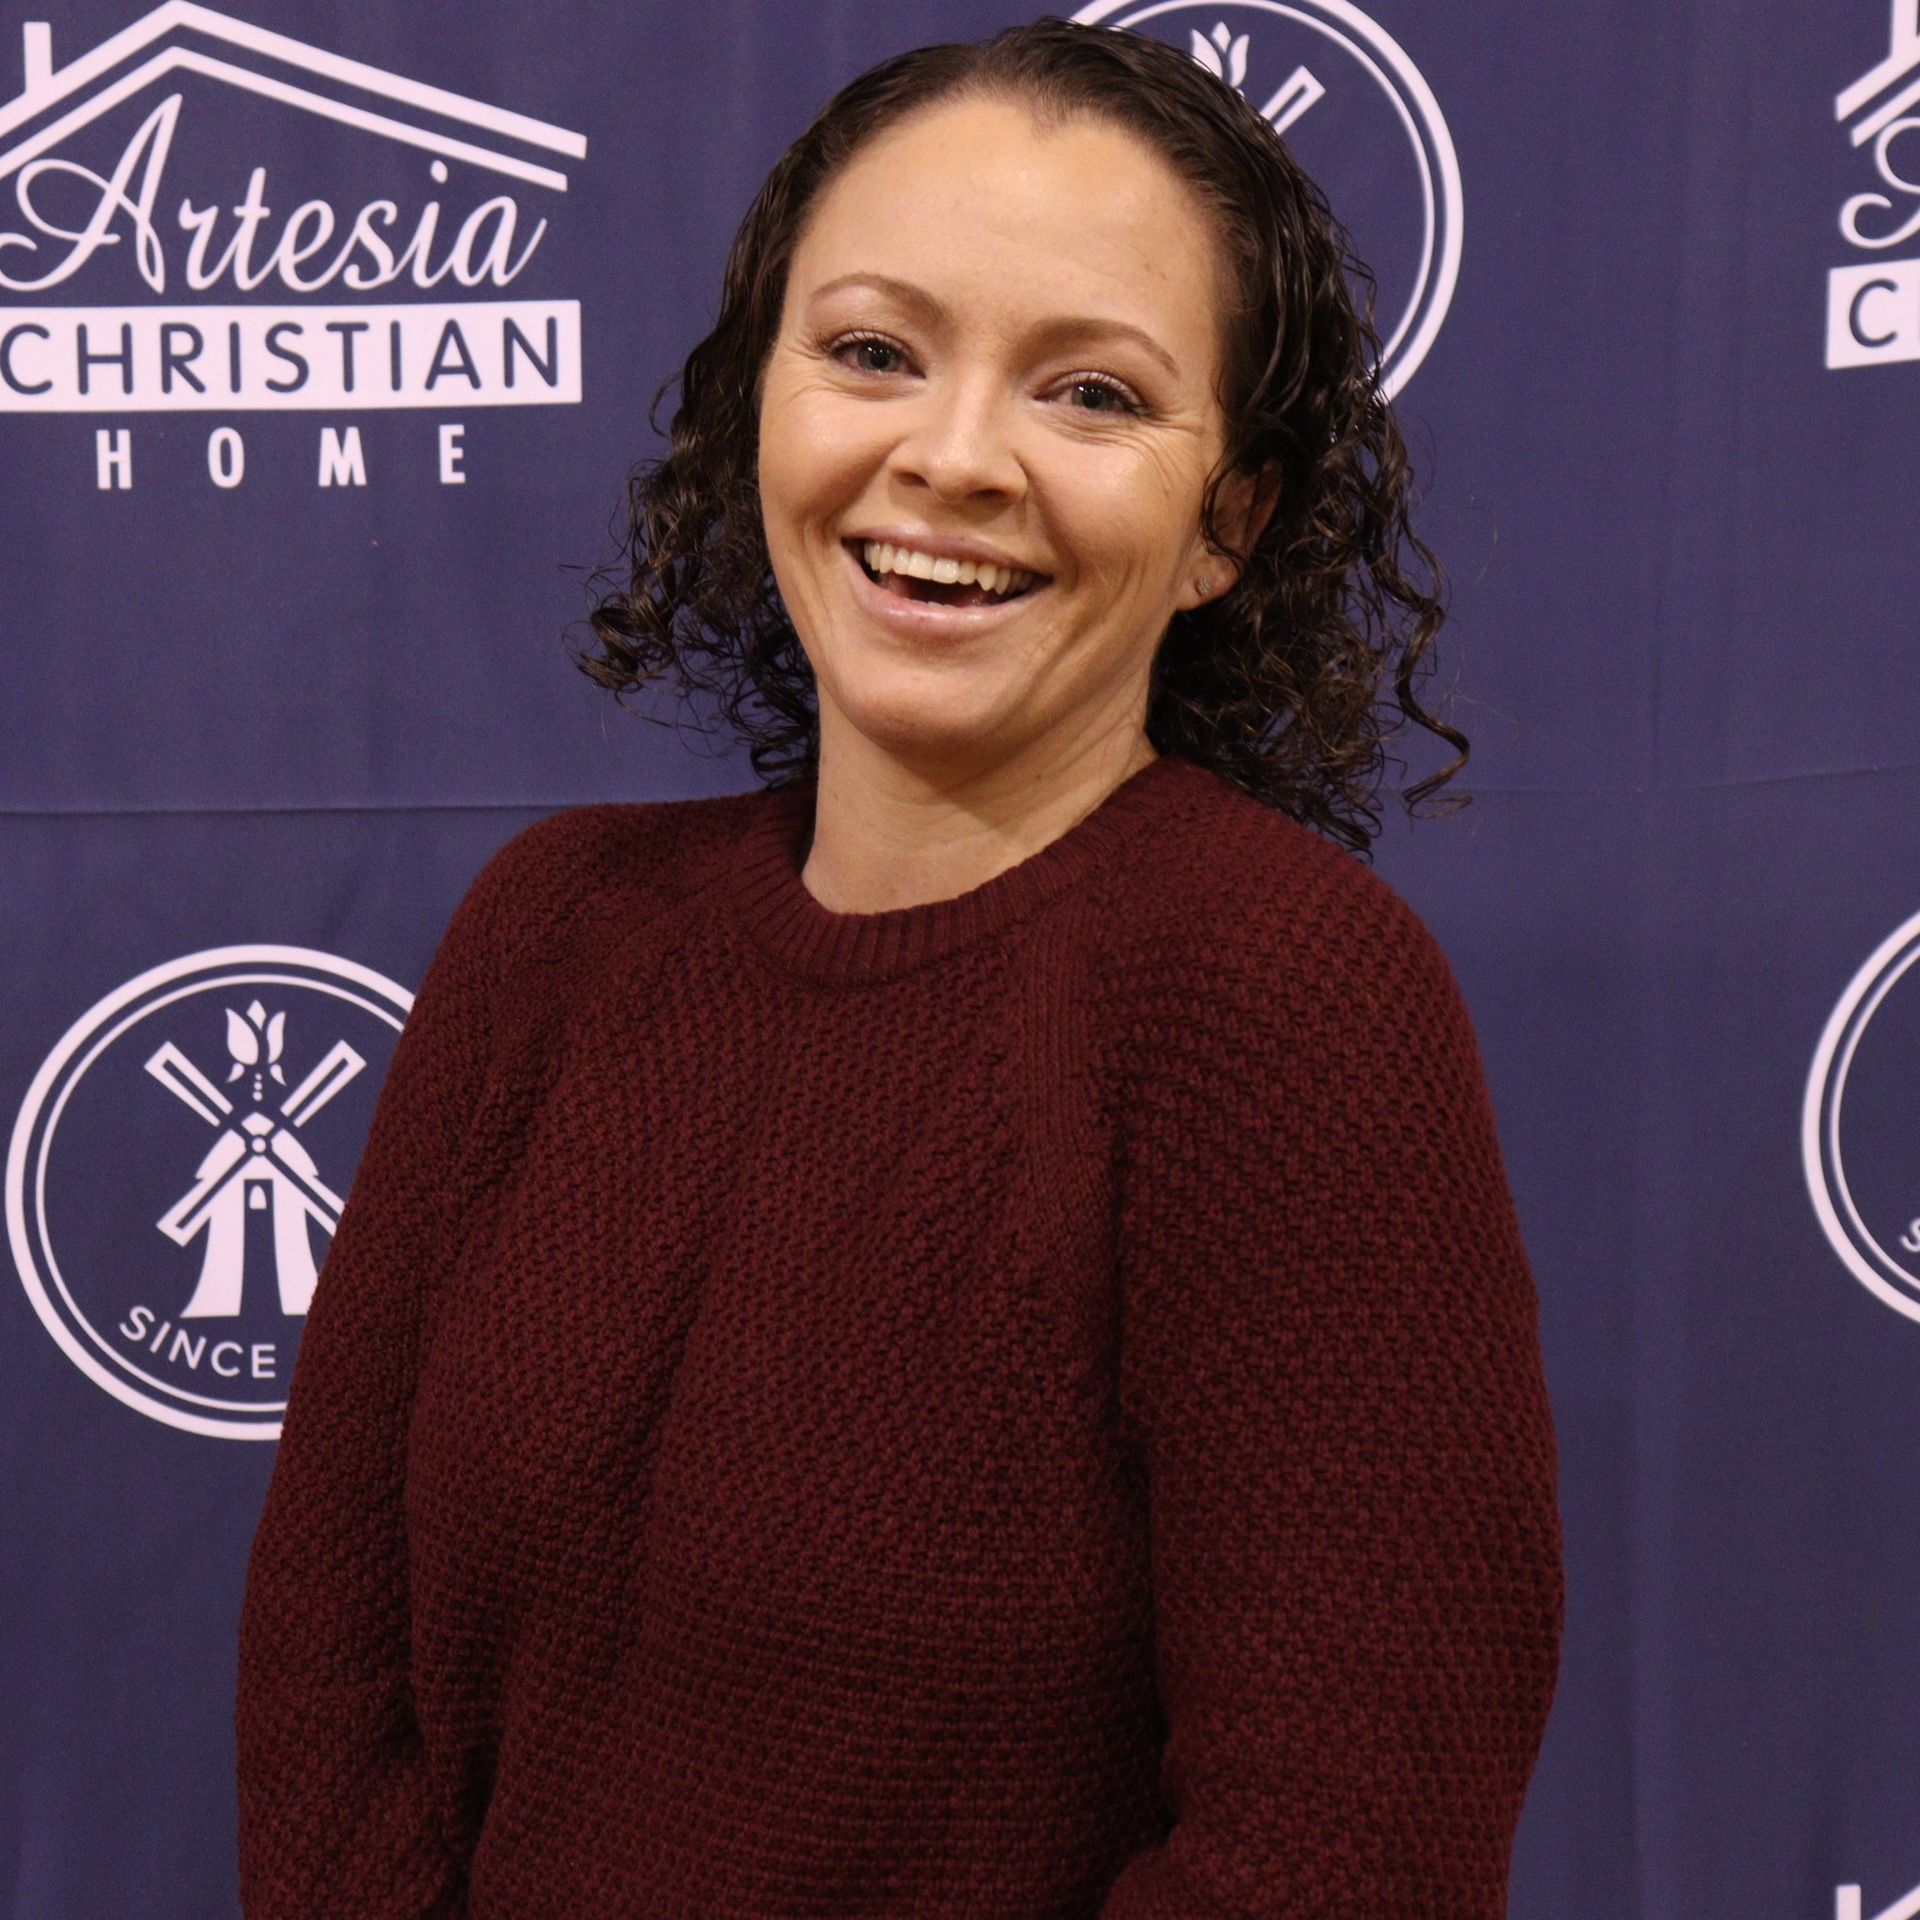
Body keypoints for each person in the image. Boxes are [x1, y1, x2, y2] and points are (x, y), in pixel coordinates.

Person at [235, 17, 1564, 1918]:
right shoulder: (552, 933)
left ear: (1229, 522)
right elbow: (330, 1694)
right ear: (756, 406)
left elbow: (1345, 1852)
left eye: (1090, 394)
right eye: (872, 352)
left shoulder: (1283, 1001)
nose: (950, 458)